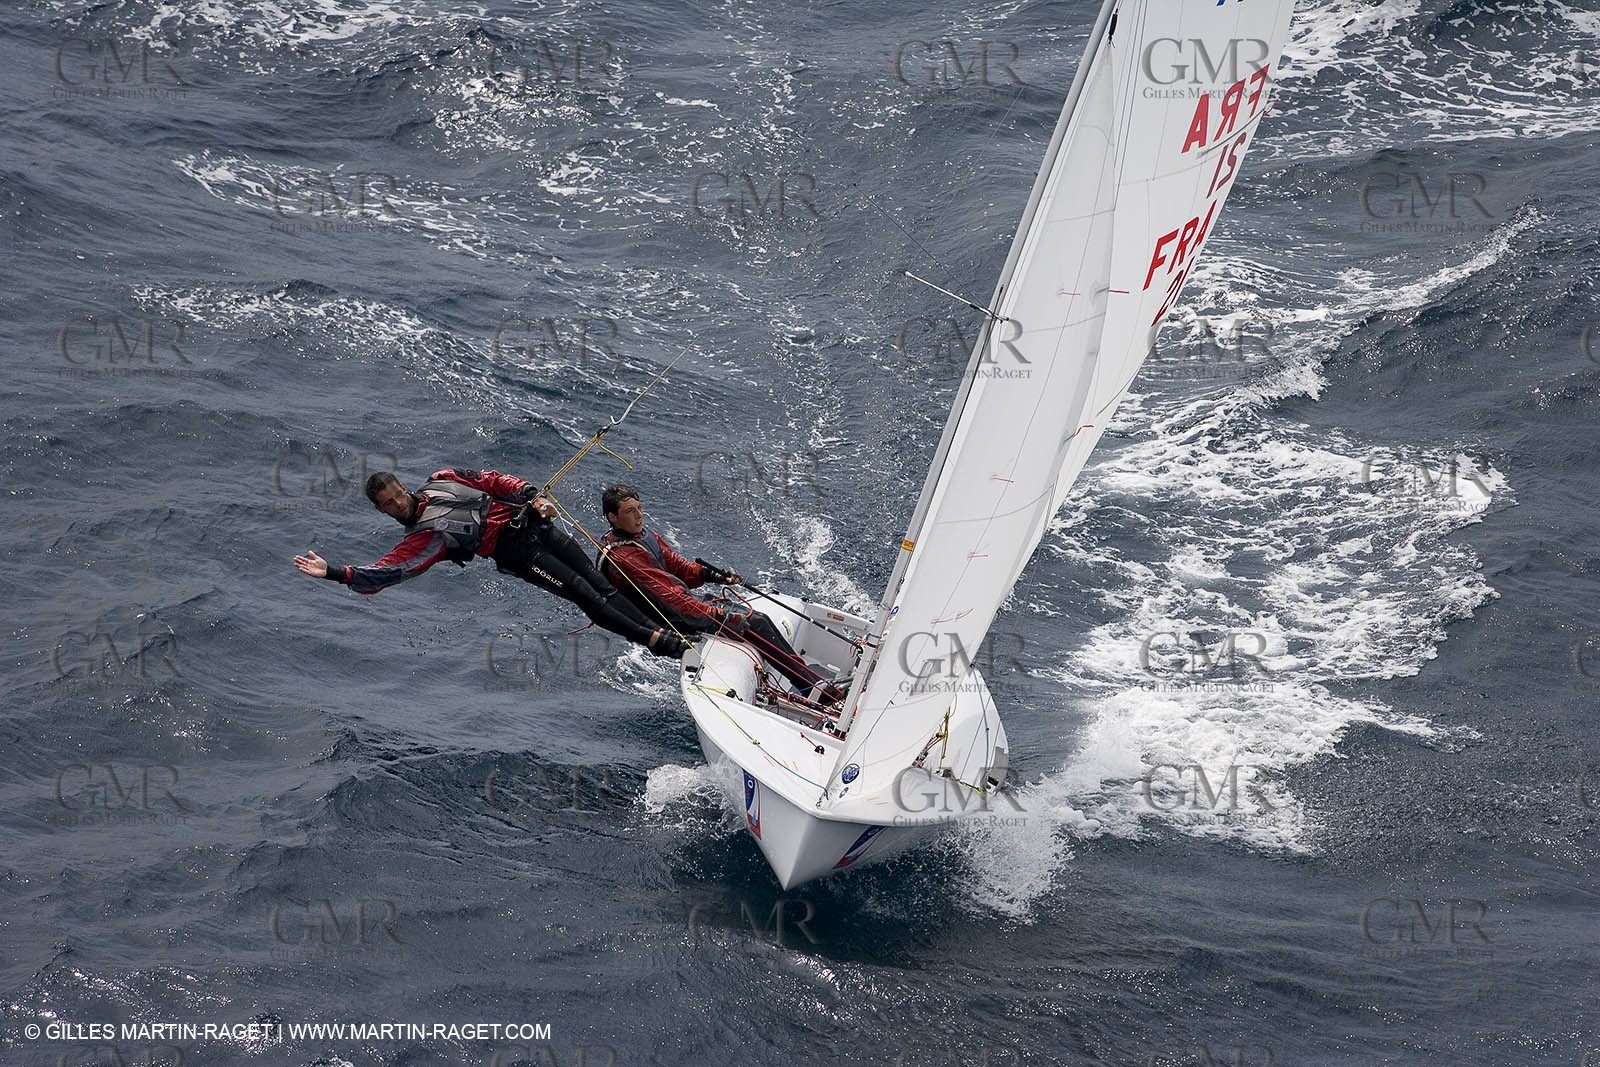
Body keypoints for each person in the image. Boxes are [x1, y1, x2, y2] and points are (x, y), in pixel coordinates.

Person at [293, 468, 688, 658]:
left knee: (602, 583)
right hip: (518, 554)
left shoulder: (441, 479)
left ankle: (671, 627)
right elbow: (385, 574)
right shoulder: (422, 539)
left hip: (539, 526)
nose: (399, 502)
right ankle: (658, 642)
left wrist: (531, 495)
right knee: (587, 597)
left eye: (398, 493)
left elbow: (493, 480)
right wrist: (333, 572)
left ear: (403, 485)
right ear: (383, 512)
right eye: (389, 504)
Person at [595, 482, 843, 704]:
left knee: (757, 619)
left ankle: (809, 683)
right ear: (613, 517)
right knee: (754, 622)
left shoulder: (642, 535)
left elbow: (676, 565)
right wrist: (716, 615)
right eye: (630, 511)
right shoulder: (623, 557)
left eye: (639, 508)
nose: (639, 515)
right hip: (673, 617)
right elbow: (670, 598)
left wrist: (711, 575)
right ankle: (813, 688)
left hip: (684, 605)